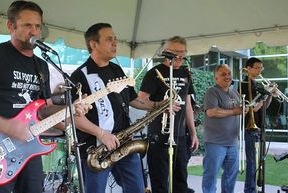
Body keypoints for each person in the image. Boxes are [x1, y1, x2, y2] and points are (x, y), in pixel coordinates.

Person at [0, 1, 90, 192]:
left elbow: (43, 108)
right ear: (10, 26)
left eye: (38, 26)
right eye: (27, 25)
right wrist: (6, 125)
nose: (34, 31)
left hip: (29, 148)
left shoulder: (42, 66)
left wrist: (71, 111)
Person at [70, 23, 162, 193]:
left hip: (124, 143)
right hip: (96, 149)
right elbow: (74, 117)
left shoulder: (117, 69)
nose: (115, 43)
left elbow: (134, 99)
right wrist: (102, 134)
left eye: (115, 39)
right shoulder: (79, 76)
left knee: (137, 189)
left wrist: (159, 105)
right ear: (93, 44)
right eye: (109, 39)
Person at [138, 36, 199, 193]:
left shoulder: (186, 74)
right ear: (166, 52)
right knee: (159, 182)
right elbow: (140, 101)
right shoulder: (154, 73)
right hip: (158, 135)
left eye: (182, 52)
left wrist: (193, 133)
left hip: (179, 135)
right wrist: (160, 107)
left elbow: (188, 107)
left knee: (181, 181)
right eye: (176, 52)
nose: (180, 56)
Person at [202, 64, 242, 193]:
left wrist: (266, 97)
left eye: (229, 73)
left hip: (232, 142)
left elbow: (246, 110)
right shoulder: (212, 92)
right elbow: (211, 112)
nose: (227, 76)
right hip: (215, 142)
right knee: (211, 175)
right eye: (223, 74)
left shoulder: (235, 92)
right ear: (216, 78)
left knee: (231, 176)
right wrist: (234, 112)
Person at [240, 57, 273, 193]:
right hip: (250, 127)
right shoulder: (244, 83)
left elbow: (264, 106)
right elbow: (253, 108)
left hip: (260, 126)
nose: (260, 70)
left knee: (259, 161)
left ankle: (257, 188)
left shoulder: (257, 84)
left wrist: (270, 95)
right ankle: (249, 190)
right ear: (248, 68)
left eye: (261, 67)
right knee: (252, 162)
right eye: (257, 67)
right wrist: (266, 94)